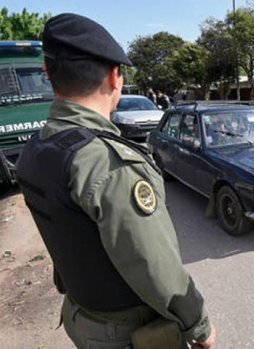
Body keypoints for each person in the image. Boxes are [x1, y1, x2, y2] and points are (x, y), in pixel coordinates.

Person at [16, 13, 215, 349]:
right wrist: (199, 324)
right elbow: (154, 265)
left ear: (48, 74)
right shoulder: (107, 162)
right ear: (114, 77)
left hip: (83, 317)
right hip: (125, 333)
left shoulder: (37, 147)